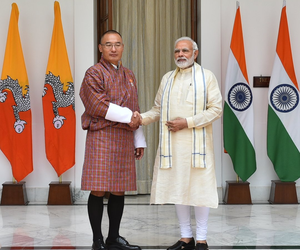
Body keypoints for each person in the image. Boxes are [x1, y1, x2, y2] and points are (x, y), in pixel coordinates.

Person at [140, 37, 222, 250]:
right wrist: (140, 118)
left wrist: (187, 122)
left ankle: (202, 239)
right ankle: (186, 237)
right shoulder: (167, 78)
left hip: (199, 146)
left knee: (200, 190)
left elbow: (216, 109)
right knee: (179, 188)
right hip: (173, 145)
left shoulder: (207, 77)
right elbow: (158, 109)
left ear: (195, 53)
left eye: (185, 50)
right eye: (177, 51)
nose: (180, 55)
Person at [80, 30, 146, 250]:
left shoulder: (129, 74)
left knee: (119, 188)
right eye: (108, 44)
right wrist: (132, 119)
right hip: (102, 138)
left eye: (117, 44)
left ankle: (113, 238)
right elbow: (98, 106)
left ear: (123, 47)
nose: (113, 49)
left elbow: (135, 106)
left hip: (124, 138)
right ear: (100, 48)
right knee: (98, 188)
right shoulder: (94, 73)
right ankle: (97, 239)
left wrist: (139, 139)